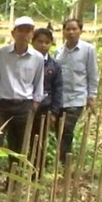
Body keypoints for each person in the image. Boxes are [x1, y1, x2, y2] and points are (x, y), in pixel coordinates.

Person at [0, 16, 45, 155]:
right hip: (3, 104)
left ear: (32, 34)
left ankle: (14, 174)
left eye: (28, 31)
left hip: (24, 105)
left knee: (20, 144)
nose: (23, 34)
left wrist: (35, 103)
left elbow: (39, 81)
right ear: (13, 33)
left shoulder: (37, 57)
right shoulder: (1, 54)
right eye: (20, 30)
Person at [55, 18, 98, 164]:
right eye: (68, 29)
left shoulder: (88, 50)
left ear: (80, 31)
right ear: (64, 32)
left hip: (77, 97)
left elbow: (93, 74)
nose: (71, 32)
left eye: (74, 29)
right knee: (58, 131)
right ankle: (61, 160)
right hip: (60, 98)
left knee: (67, 128)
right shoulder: (59, 51)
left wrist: (91, 96)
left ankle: (65, 163)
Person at [30, 27, 63, 167]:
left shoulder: (54, 65)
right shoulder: (26, 60)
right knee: (24, 139)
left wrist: (54, 112)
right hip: (26, 107)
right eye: (39, 42)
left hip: (44, 109)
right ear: (33, 42)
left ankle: (38, 170)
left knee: (40, 140)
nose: (43, 45)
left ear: (51, 44)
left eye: (47, 42)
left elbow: (58, 89)